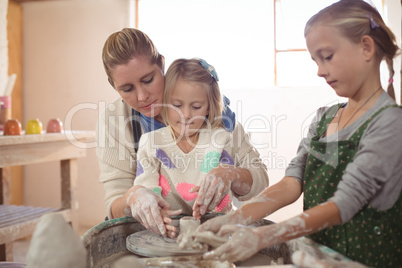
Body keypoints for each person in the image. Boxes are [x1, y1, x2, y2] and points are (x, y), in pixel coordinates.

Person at [196, 1, 402, 267]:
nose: (320, 70)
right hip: (317, 258)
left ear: (366, 47)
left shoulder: (389, 123)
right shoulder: (323, 119)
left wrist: (263, 236)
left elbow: (344, 204)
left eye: (327, 56)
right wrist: (235, 218)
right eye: (315, 60)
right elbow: (291, 184)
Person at [96, 28, 269, 237]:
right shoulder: (115, 121)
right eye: (127, 89)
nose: (142, 96)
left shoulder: (212, 110)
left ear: (161, 64)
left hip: (212, 231)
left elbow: (259, 180)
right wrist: (133, 197)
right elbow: (114, 206)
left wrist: (231, 175)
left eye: (148, 79)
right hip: (154, 233)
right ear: (114, 86)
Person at [133, 58, 266, 238]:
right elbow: (145, 189)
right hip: (168, 235)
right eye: (177, 105)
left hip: (220, 233)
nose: (186, 115)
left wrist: (231, 174)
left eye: (196, 106)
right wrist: (156, 214)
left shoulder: (223, 136)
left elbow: (261, 180)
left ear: (210, 106)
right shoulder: (151, 143)